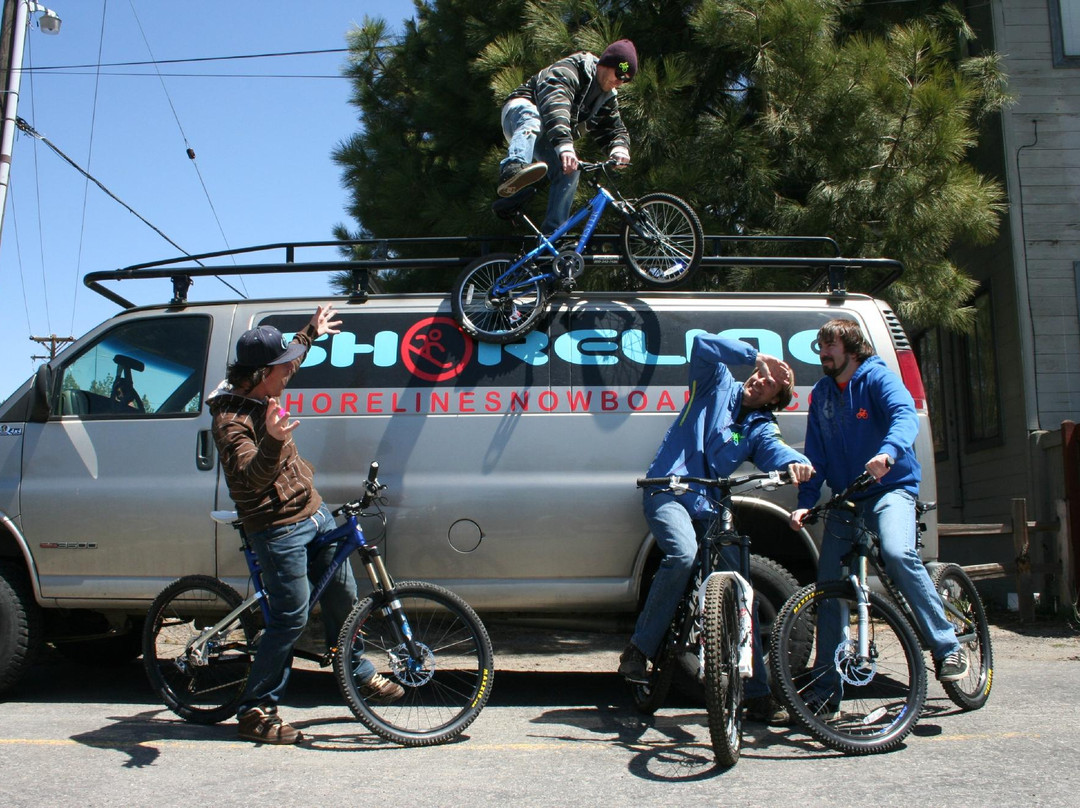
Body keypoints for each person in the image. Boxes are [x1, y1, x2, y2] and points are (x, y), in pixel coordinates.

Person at [208, 305, 403, 745]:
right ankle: (255, 710)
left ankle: (357, 673)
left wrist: (311, 331)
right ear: (259, 375)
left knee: (345, 597)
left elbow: (292, 355)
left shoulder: (267, 379)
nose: (288, 374)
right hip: (275, 527)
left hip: (312, 512)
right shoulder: (229, 420)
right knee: (291, 618)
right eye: (279, 370)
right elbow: (250, 478)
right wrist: (274, 441)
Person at [619, 334, 814, 725]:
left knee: (741, 591)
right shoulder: (716, 381)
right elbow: (702, 344)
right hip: (668, 491)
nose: (760, 381)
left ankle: (757, 694)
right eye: (761, 376)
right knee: (683, 553)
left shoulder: (760, 426)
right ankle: (639, 650)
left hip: (710, 505)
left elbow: (776, 450)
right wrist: (757, 357)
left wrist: (797, 461)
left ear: (772, 401)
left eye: (770, 385)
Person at [788, 318, 967, 710]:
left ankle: (946, 647)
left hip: (890, 488)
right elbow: (814, 455)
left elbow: (905, 416)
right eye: (820, 345)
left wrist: (888, 452)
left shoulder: (877, 379)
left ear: (852, 350)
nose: (822, 353)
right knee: (829, 584)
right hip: (847, 497)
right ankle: (826, 689)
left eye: (829, 346)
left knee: (899, 553)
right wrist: (805, 500)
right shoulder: (821, 394)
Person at [496, 39, 636, 234]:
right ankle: (513, 166)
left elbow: (615, 129)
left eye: (626, 80)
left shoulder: (606, 99)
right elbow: (556, 106)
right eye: (619, 74)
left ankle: (553, 235)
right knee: (533, 118)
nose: (620, 82)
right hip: (519, 112)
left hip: (548, 136)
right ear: (606, 64)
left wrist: (619, 148)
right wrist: (565, 146)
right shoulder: (572, 69)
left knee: (570, 170)